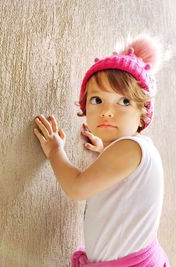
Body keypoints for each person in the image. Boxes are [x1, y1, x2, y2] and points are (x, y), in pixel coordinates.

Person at [33, 34, 171, 266]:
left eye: (124, 102)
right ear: (84, 106)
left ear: (143, 114)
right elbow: (123, 179)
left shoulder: (130, 148)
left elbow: (77, 188)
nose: (107, 111)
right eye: (97, 100)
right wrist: (105, 150)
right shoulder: (129, 150)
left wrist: (56, 150)